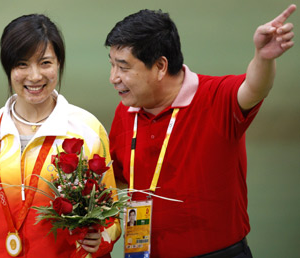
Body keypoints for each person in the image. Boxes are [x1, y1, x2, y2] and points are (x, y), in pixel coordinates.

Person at [106, 4, 296, 258]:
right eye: (112, 65)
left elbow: (254, 88)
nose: (113, 77)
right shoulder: (126, 112)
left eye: (124, 67)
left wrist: (263, 57)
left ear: (161, 66)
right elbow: (118, 177)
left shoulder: (216, 96)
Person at [0, 14, 120, 257]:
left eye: (45, 63)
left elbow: (111, 216)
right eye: (22, 64)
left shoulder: (86, 129)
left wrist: (100, 238)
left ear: (59, 63)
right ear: (8, 67)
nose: (34, 76)